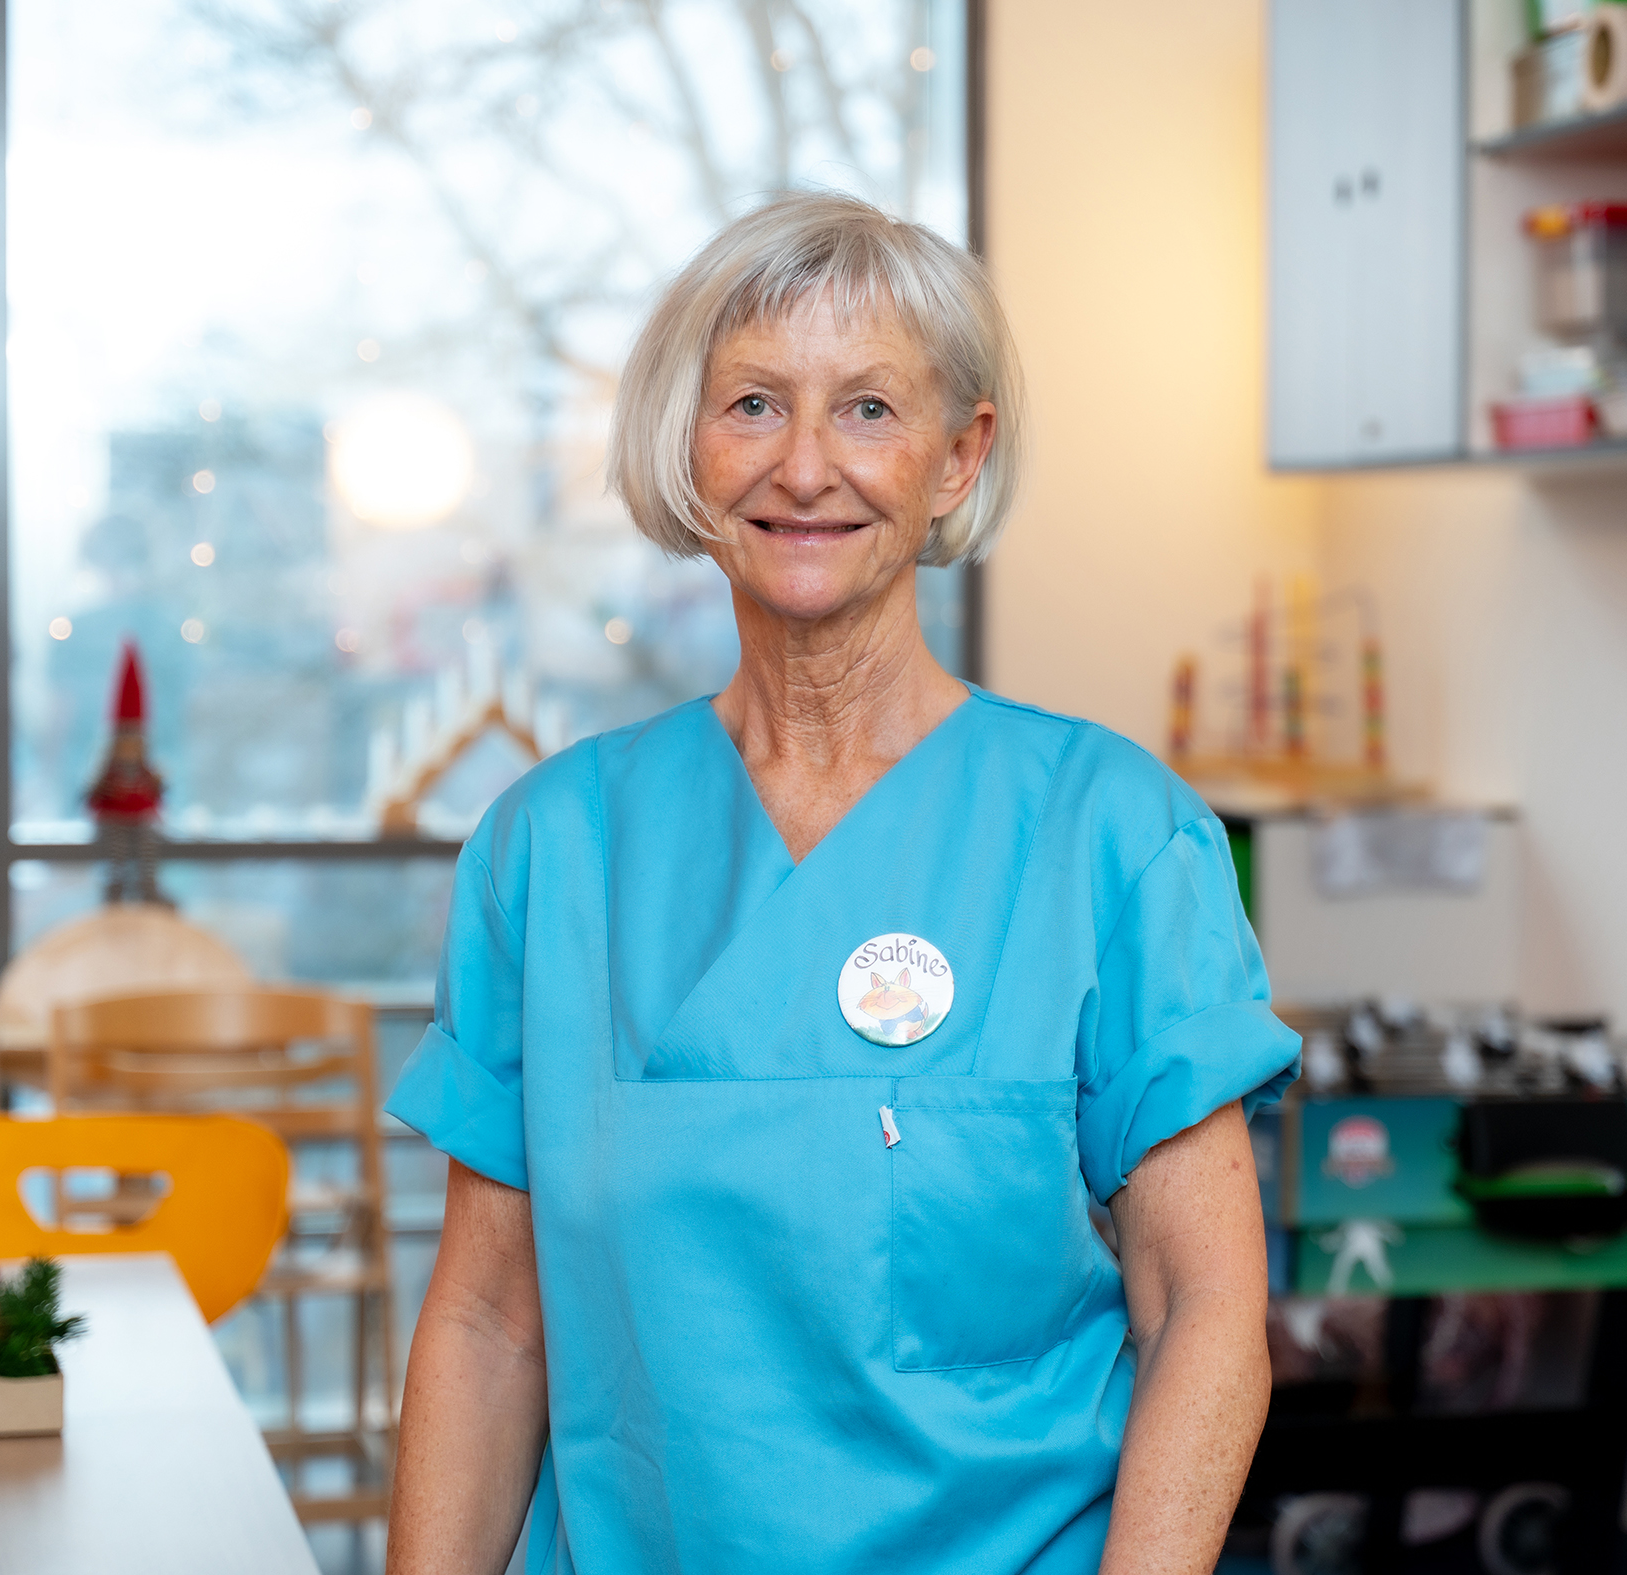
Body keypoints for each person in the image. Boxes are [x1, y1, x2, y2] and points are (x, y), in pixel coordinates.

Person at [384, 189, 1301, 1575]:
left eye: (869, 409)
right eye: (752, 404)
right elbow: (490, 1319)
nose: (804, 466)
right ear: (686, 450)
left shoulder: (1108, 833)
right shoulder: (550, 847)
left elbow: (1204, 1308)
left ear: (955, 457)